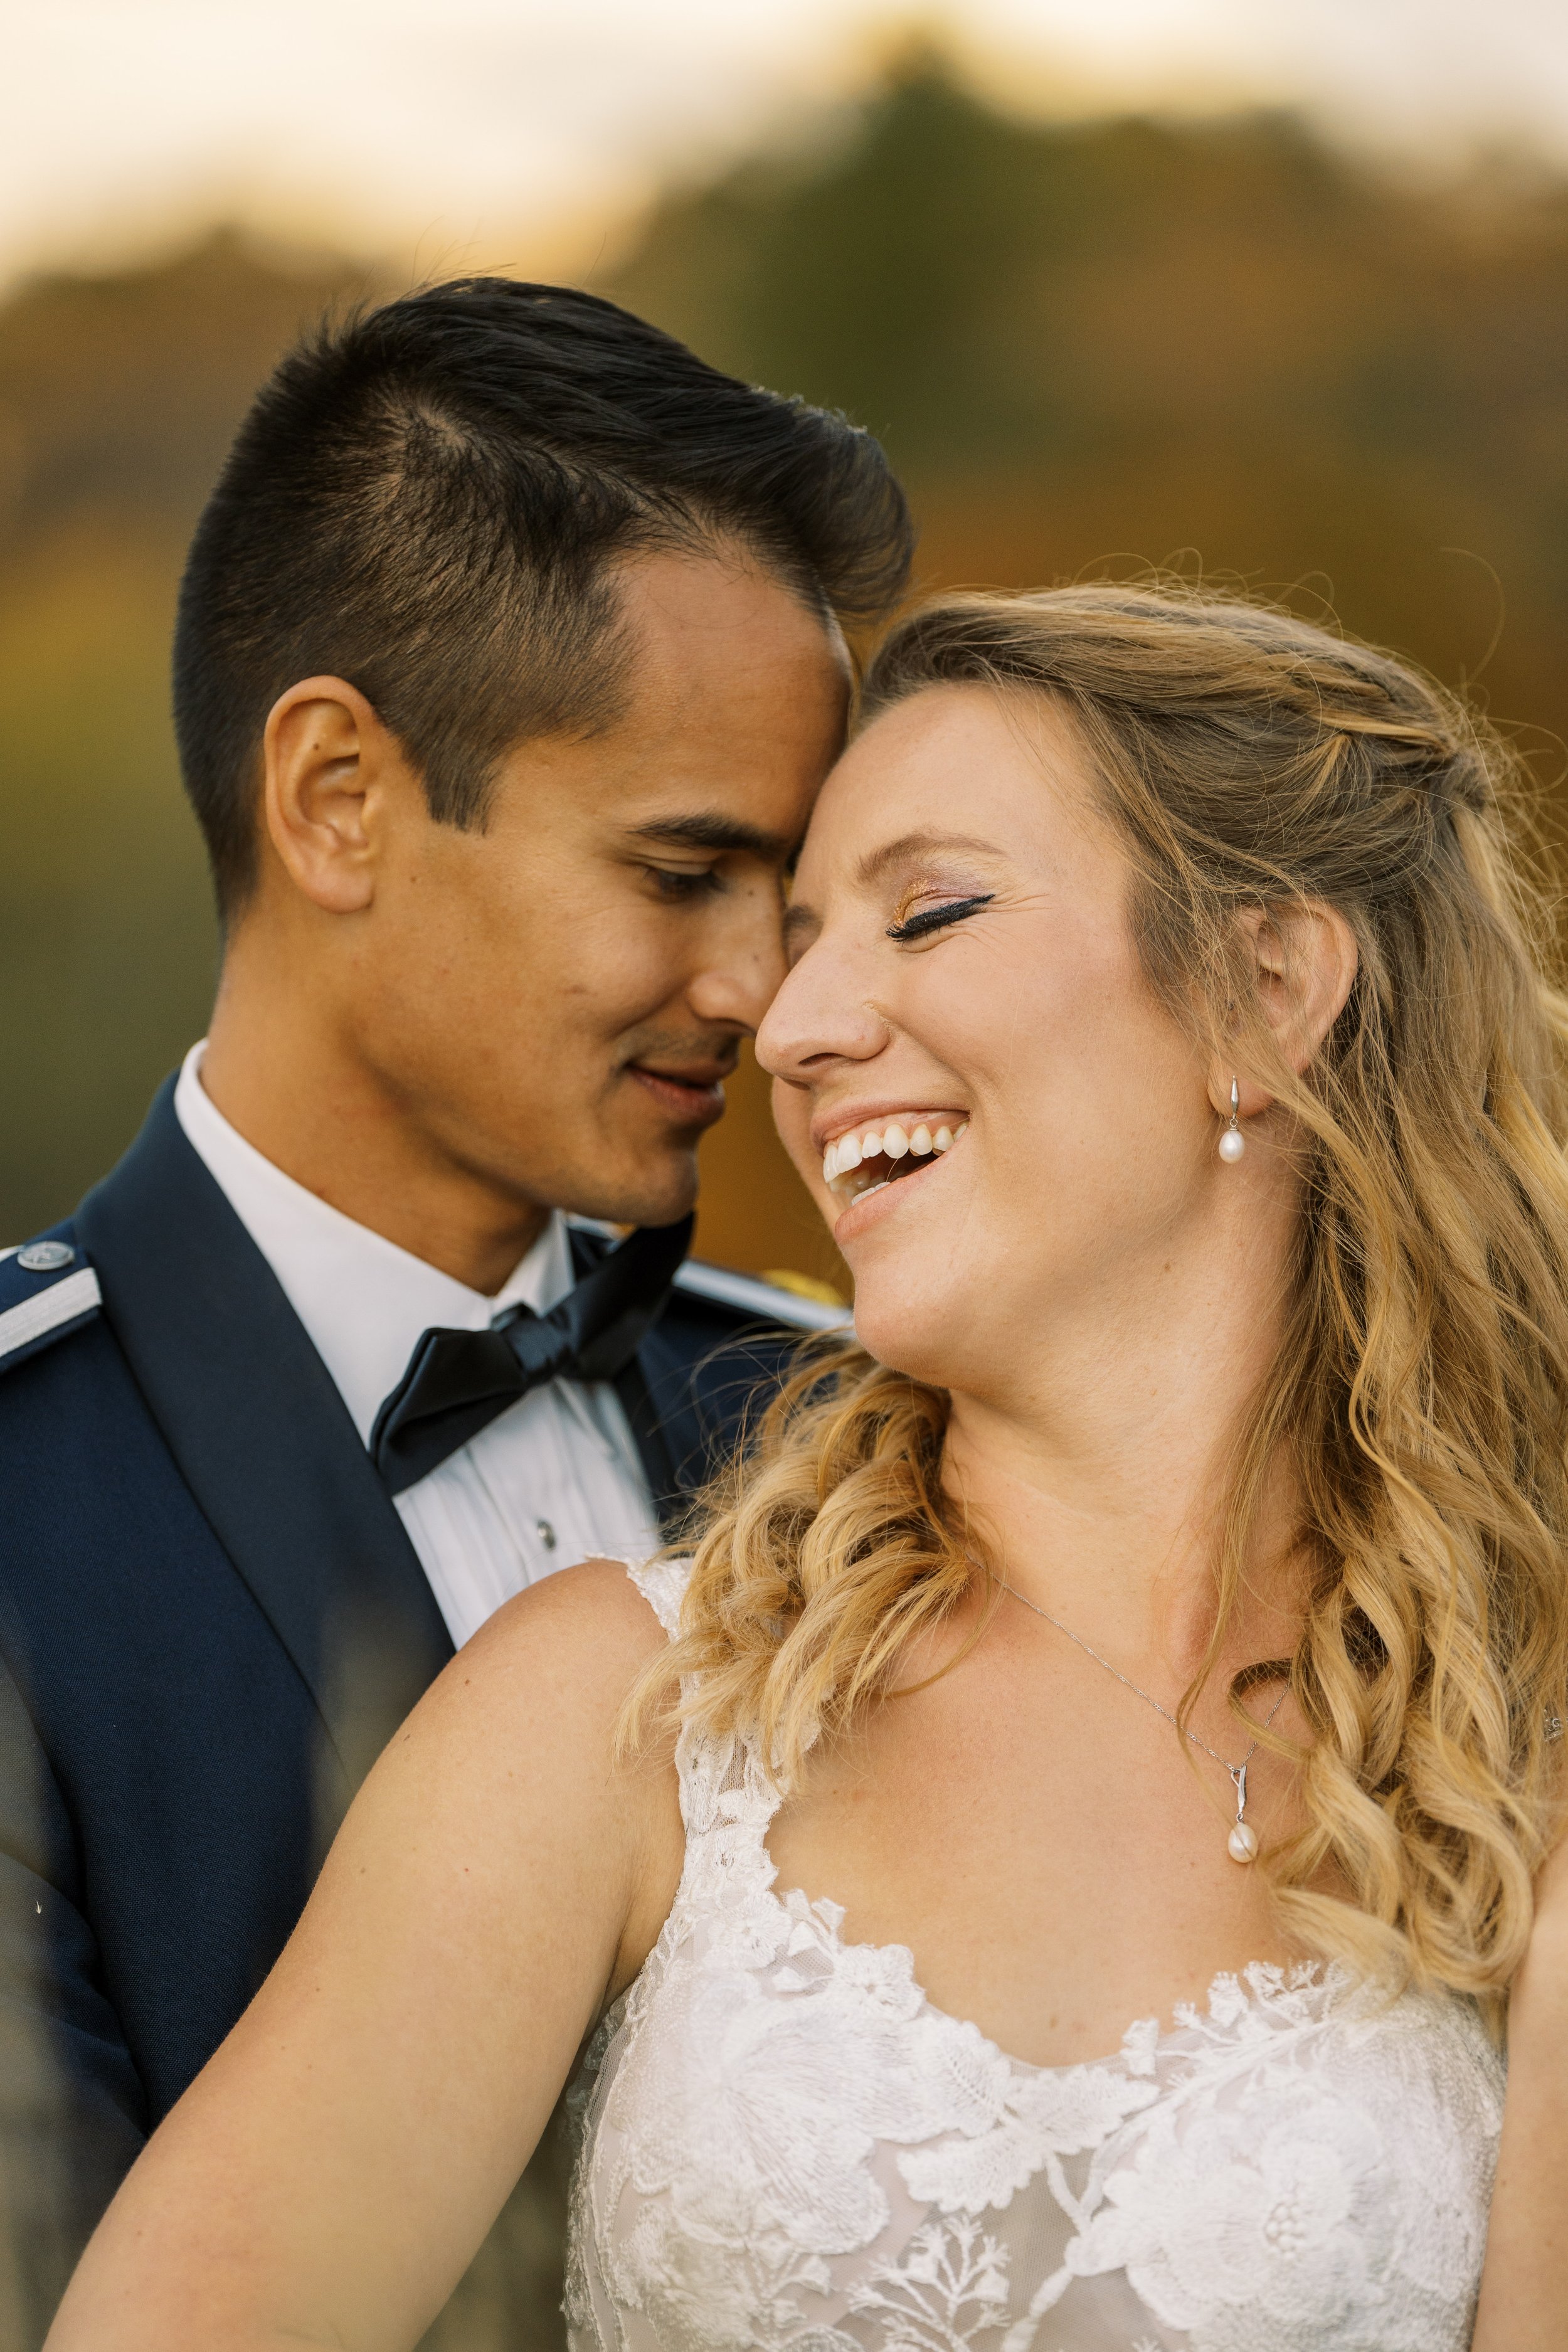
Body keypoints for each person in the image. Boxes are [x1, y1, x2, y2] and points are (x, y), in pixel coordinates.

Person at [44, 581, 1568, 2351]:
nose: (789, 1026)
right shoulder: (618, 1708)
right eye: (799, 935)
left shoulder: (1517, 1760)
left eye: (927, 911)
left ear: (1264, 985)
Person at [0, 277, 911, 2341]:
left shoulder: (866, 1423)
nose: (774, 995)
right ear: (335, 795)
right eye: (687, 872)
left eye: (806, 890)